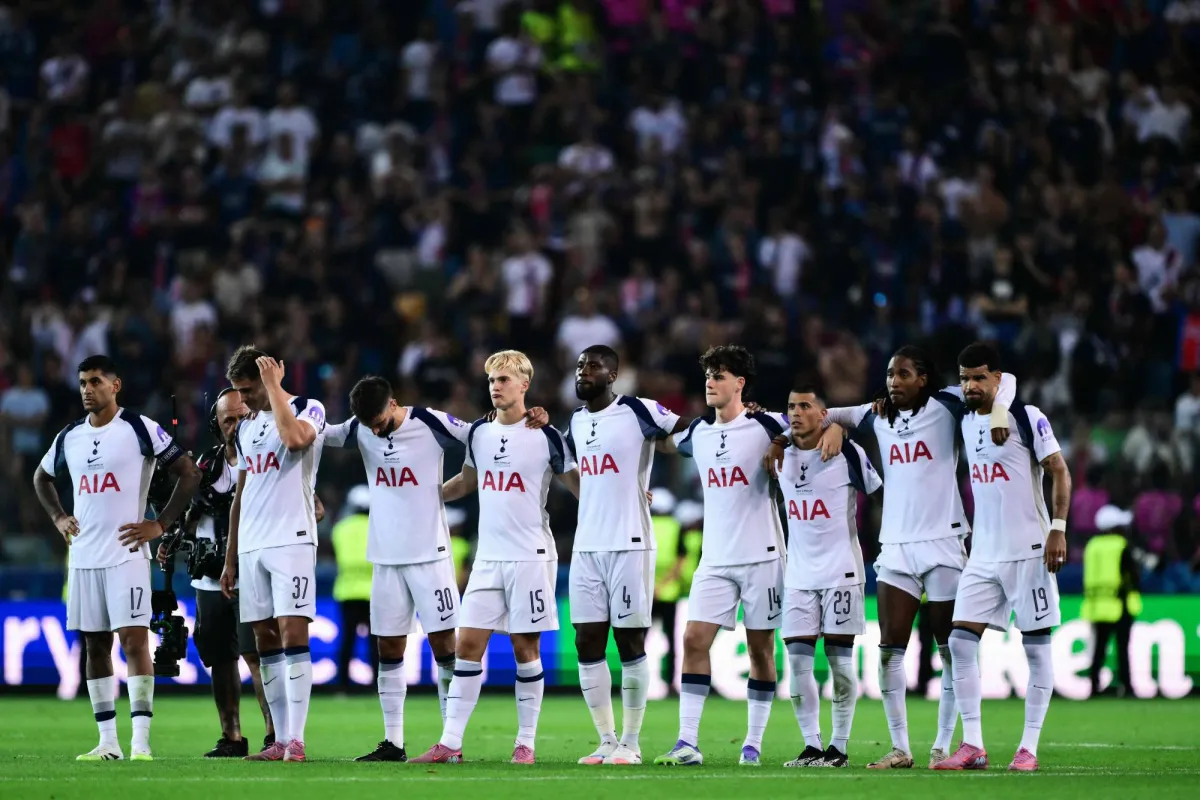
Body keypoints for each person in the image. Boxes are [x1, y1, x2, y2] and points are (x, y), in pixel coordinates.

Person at [764, 345, 1016, 768]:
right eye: (889, 375)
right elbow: (821, 415)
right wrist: (804, 433)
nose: (893, 382)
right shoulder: (877, 415)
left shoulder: (947, 404)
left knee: (950, 650)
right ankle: (901, 748)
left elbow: (1004, 382)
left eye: (903, 374)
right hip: (896, 547)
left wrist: (1000, 413)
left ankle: (943, 744)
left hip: (943, 541)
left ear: (923, 379)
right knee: (889, 650)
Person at [324, 375, 548, 761]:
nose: (375, 430)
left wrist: (530, 418)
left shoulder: (429, 422)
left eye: (379, 422)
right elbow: (315, 435)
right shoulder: (360, 428)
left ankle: (451, 743)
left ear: (393, 404)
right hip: (386, 558)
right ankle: (393, 742)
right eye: (368, 425)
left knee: (445, 646)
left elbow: (482, 433)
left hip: (432, 555)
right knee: (388, 648)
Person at [411, 350, 579, 765]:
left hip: (530, 556)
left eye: (503, 379)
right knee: (467, 644)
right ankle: (450, 742)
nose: (495, 387)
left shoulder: (547, 435)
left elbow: (579, 486)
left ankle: (526, 743)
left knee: (525, 647)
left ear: (525, 384)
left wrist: (625, 497)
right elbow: (467, 482)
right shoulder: (479, 434)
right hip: (487, 557)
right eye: (491, 380)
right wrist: (425, 495)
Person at [33, 355, 200, 761]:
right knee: (94, 646)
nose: (87, 389)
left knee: (133, 641)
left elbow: (190, 472)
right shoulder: (70, 435)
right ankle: (108, 742)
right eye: (82, 383)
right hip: (84, 556)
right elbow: (41, 477)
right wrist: (58, 517)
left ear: (115, 385)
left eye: (95, 381)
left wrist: (160, 524)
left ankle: (140, 741)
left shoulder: (139, 427)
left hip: (127, 554)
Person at [569, 344, 723, 766]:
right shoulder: (576, 421)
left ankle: (631, 743)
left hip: (630, 543)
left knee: (630, 640)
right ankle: (605, 740)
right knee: (586, 641)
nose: (584, 372)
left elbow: (691, 430)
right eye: (580, 366)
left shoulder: (639, 409)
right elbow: (566, 466)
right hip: (586, 546)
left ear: (613, 375)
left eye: (593, 366)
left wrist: (725, 424)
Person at [934, 343, 1072, 772]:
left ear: (997, 377)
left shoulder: (1026, 416)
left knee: (1036, 650)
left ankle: (1028, 748)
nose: (970, 386)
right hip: (983, 554)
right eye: (965, 378)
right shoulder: (963, 415)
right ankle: (973, 745)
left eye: (979, 377)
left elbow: (1059, 470)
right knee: (959, 642)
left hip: (1029, 551)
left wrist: (1058, 528)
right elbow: (928, 392)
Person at [653, 345, 788, 767]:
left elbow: (815, 422)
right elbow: (660, 443)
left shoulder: (767, 424)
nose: (710, 382)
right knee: (693, 640)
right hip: (714, 558)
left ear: (740, 383)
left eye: (719, 375)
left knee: (760, 650)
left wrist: (785, 439)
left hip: (763, 555)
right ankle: (687, 742)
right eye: (708, 375)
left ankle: (753, 744)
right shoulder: (698, 433)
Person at [220, 346, 326, 763]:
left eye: (248, 389)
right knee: (264, 638)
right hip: (252, 544)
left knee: (293, 633)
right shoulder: (245, 428)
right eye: (238, 390)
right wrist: (230, 558)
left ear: (268, 378)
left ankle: (296, 740)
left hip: (292, 539)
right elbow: (241, 495)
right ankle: (279, 739)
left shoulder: (307, 408)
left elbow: (294, 439)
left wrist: (275, 389)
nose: (242, 399)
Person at [158, 388, 274, 757]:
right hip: (209, 575)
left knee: (257, 655)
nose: (235, 425)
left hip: (253, 571)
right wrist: (172, 537)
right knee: (220, 658)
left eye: (242, 417)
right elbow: (189, 514)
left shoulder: (268, 459)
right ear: (216, 424)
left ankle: (276, 736)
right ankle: (232, 737)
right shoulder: (204, 466)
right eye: (228, 420)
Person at [779, 385, 882, 769]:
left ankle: (838, 747)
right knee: (798, 663)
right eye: (791, 405)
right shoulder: (778, 453)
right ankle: (811, 746)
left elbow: (879, 496)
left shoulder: (848, 453)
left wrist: (883, 546)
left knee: (839, 663)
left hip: (841, 572)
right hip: (798, 574)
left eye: (805, 405)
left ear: (824, 413)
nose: (796, 412)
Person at [1085, 505, 1141, 698]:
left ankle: (1094, 687)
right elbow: (1133, 575)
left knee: (1099, 648)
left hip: (1097, 606)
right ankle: (1126, 686)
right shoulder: (1121, 545)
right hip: (1119, 604)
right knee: (1122, 648)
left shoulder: (1092, 546)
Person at [331, 484, 374, 695]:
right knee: (376, 643)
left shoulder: (340, 528)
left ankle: (342, 687)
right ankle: (378, 687)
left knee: (347, 641)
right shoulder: (379, 526)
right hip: (374, 591)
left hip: (347, 591)